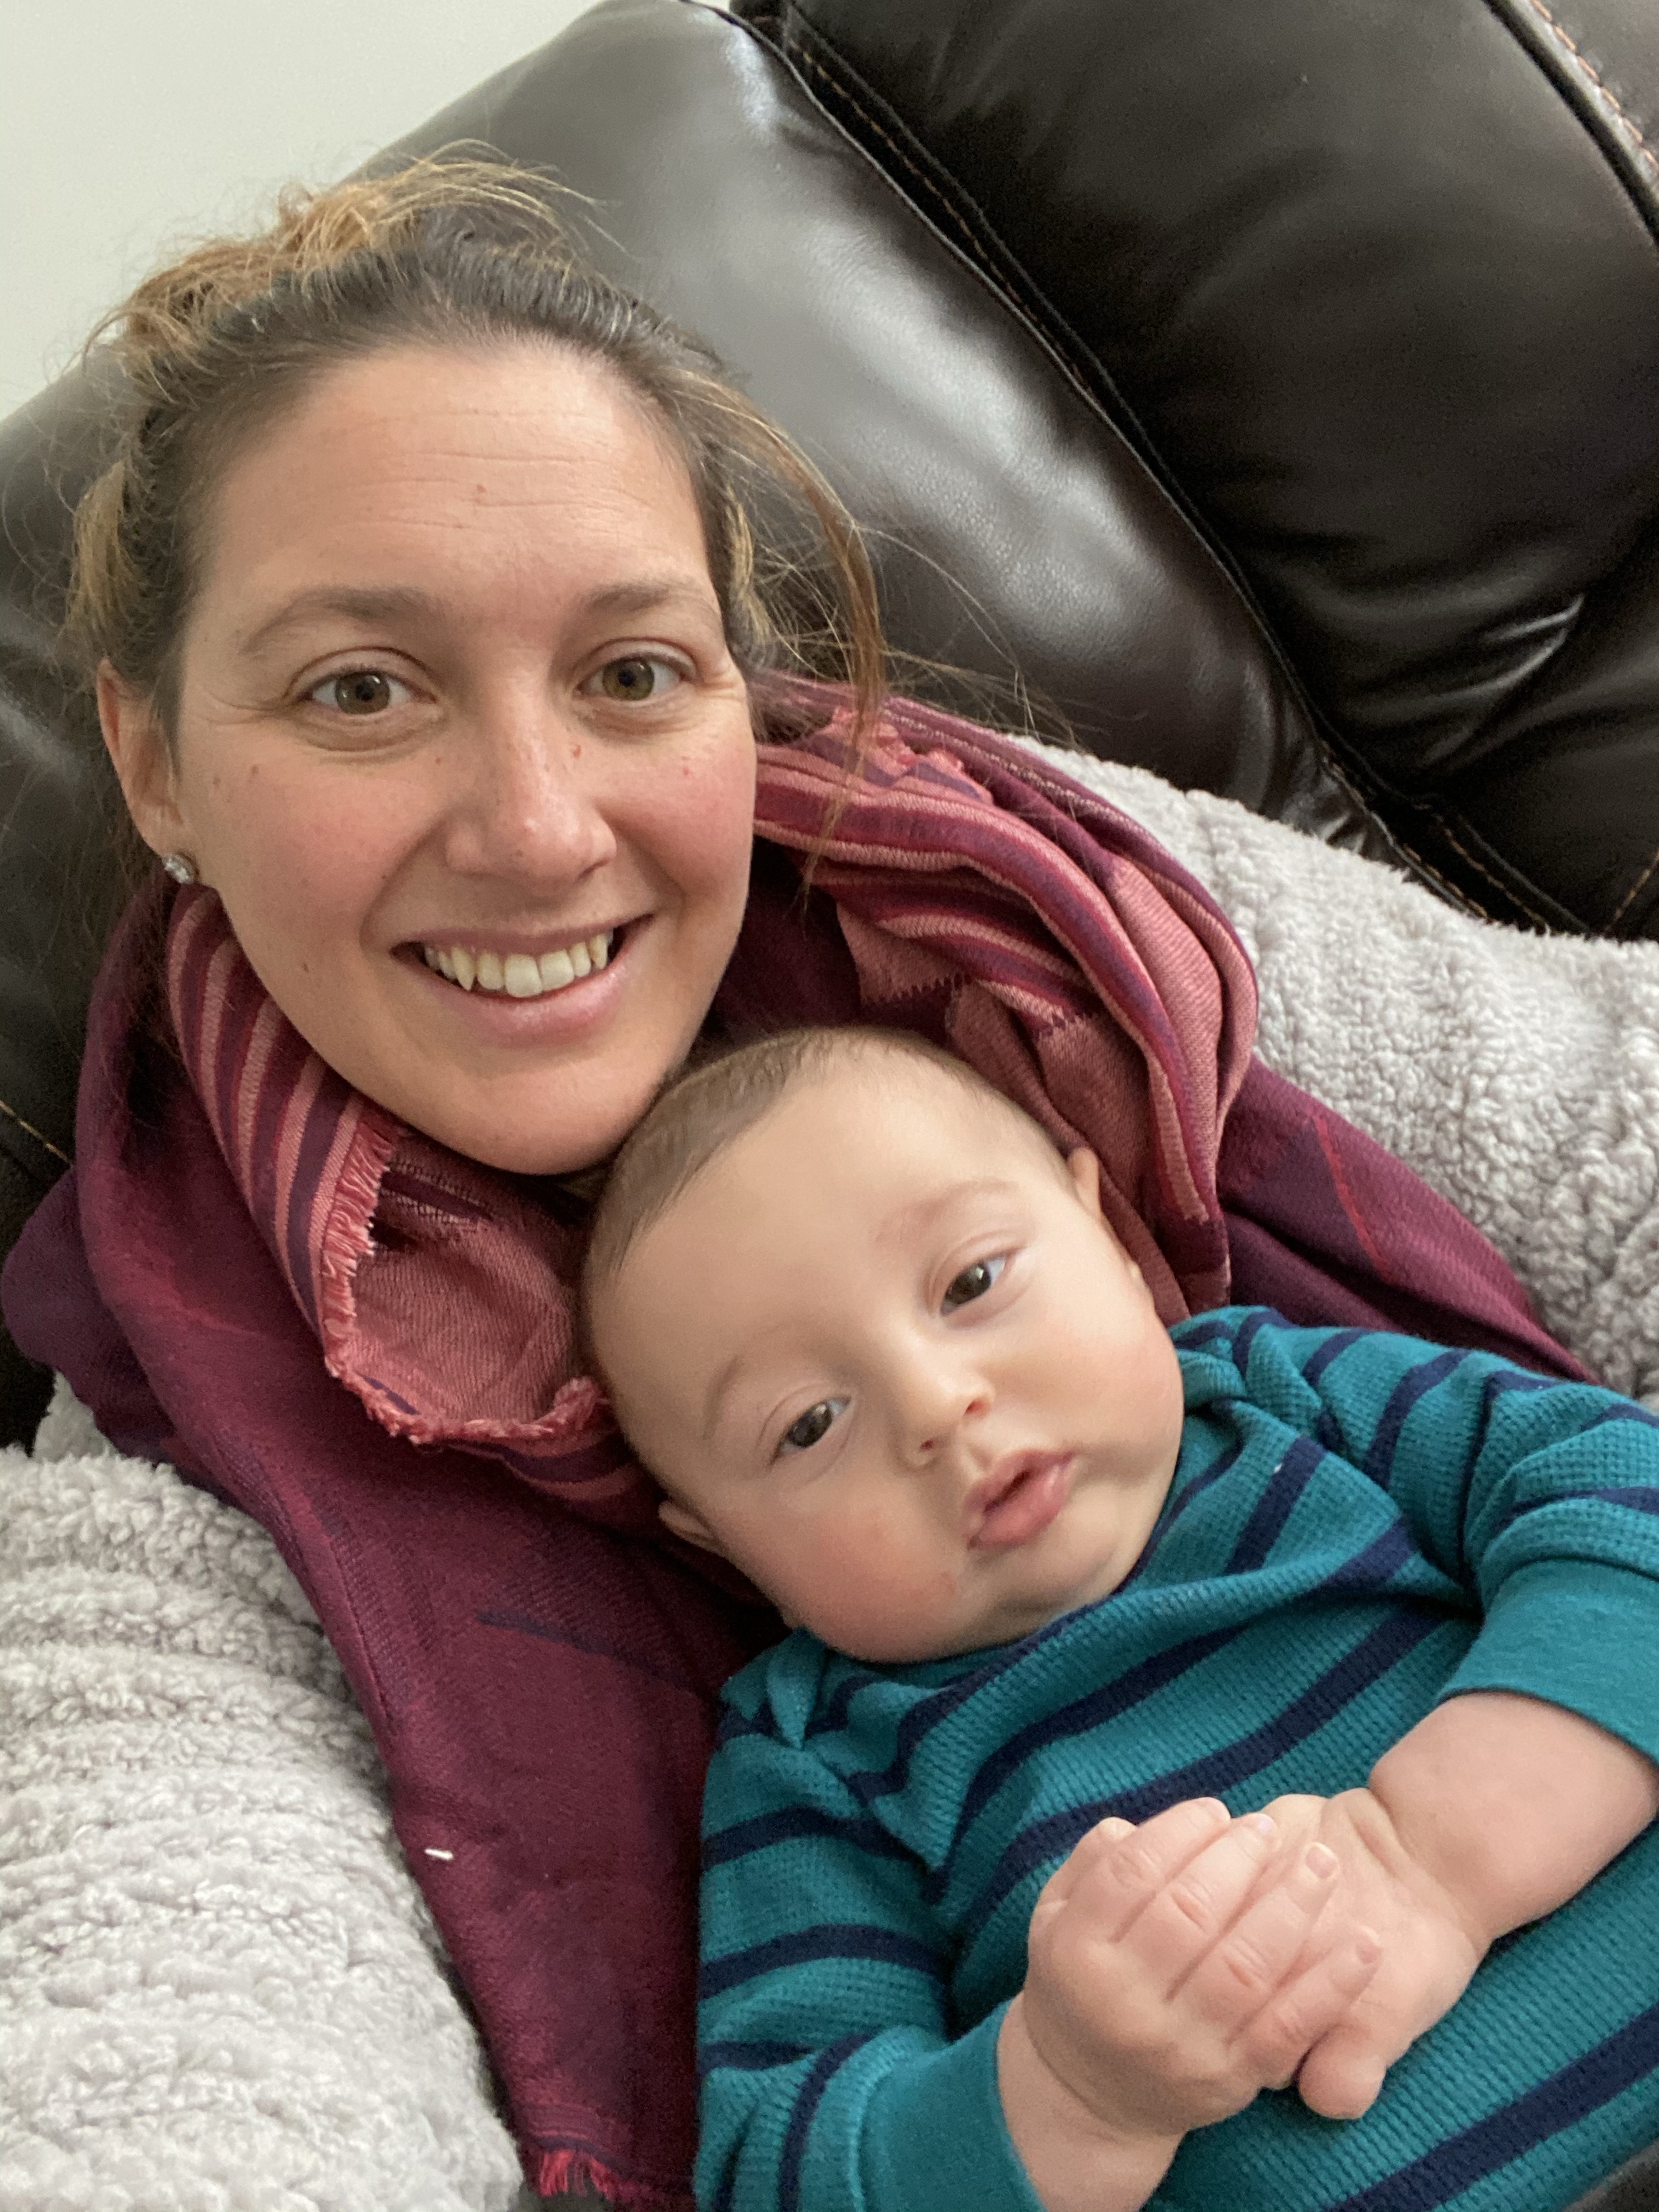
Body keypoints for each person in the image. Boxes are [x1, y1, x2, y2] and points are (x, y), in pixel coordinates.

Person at [4, 153, 1659, 2210]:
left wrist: (1437, 1847)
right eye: (361, 688)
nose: (538, 829)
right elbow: (190, 2071)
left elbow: (1614, 1130)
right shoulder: (163, 1522)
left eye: (630, 670)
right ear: (152, 757)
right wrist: (1062, 2091)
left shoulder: (1052, 918)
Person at [581, 1024, 1659, 2212]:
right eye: (807, 1425)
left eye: (972, 1283)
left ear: (1105, 1234)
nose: (937, 1404)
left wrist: (1434, 1860)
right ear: (726, 1546)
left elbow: (1631, 1505)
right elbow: (789, 2173)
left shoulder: (1290, 1399)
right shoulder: (818, 1765)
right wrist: (1071, 2094)